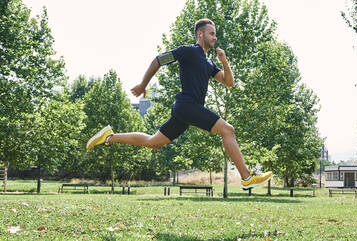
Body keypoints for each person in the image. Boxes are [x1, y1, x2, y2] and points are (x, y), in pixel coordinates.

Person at [86, 18, 272, 189]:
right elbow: (159, 60)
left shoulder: (208, 62)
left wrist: (224, 61)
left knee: (153, 142)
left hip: (186, 111)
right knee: (227, 130)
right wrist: (143, 84)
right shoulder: (188, 51)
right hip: (187, 105)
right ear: (200, 34)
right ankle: (247, 177)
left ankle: (109, 136)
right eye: (212, 34)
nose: (215, 37)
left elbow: (228, 82)